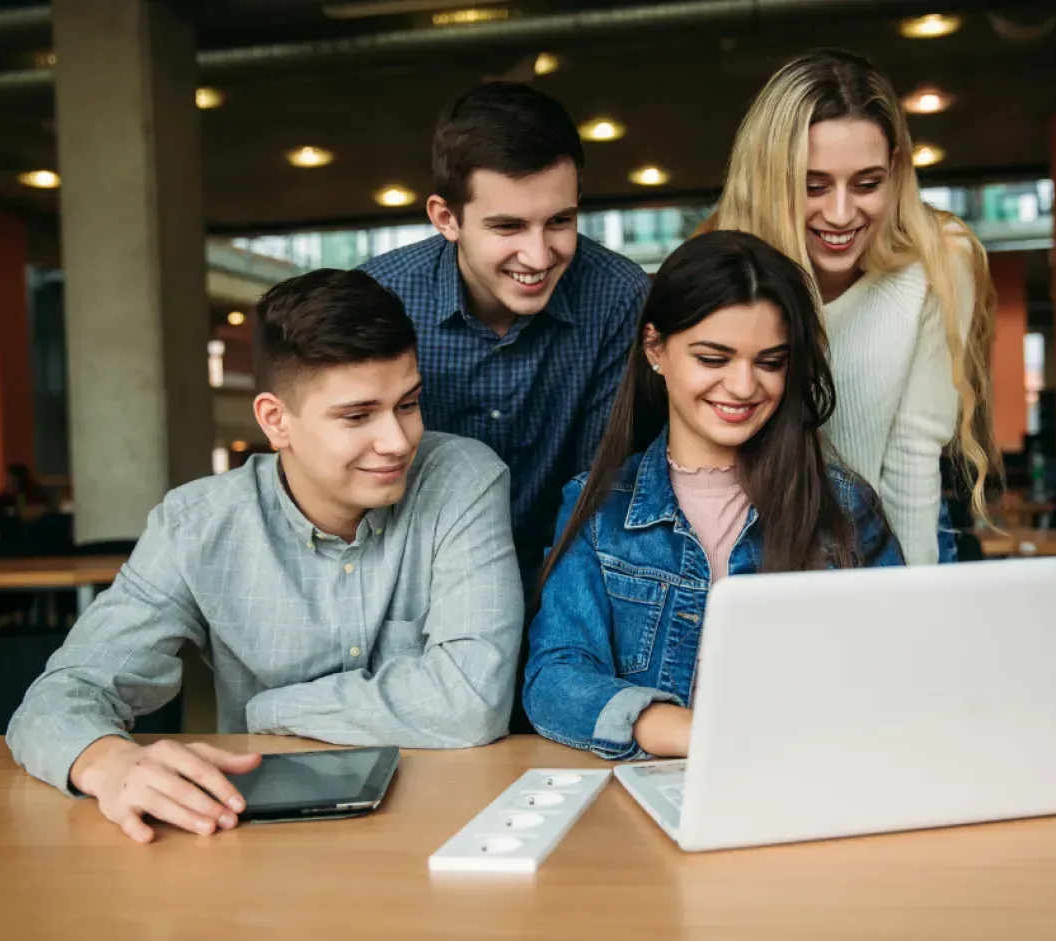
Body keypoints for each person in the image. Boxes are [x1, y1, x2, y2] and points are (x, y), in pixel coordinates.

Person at [7, 269, 523, 843]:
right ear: (276, 421)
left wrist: (271, 708)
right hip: (257, 834)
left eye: (408, 403)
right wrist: (107, 763)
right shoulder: (196, 525)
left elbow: (472, 701)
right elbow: (58, 698)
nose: (399, 440)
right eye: (357, 416)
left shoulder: (462, 479)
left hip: (441, 818)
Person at [523, 231, 904, 761]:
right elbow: (554, 679)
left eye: (770, 362)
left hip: (814, 780)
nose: (744, 386)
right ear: (655, 348)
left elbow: (900, 672)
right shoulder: (597, 505)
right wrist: (686, 731)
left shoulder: (844, 507)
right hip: (656, 792)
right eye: (713, 358)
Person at [703, 49, 1000, 565]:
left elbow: (913, 460)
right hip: (757, 545)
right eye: (813, 186)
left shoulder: (937, 257)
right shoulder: (729, 265)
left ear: (896, 170)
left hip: (894, 543)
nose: (840, 214)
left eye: (867, 184)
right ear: (771, 178)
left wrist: (906, 610)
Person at [358, 82, 651, 587]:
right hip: (407, 587)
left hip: (566, 581)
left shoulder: (621, 298)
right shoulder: (377, 298)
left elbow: (603, 491)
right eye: (508, 227)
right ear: (446, 218)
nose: (539, 257)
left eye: (560, 221)